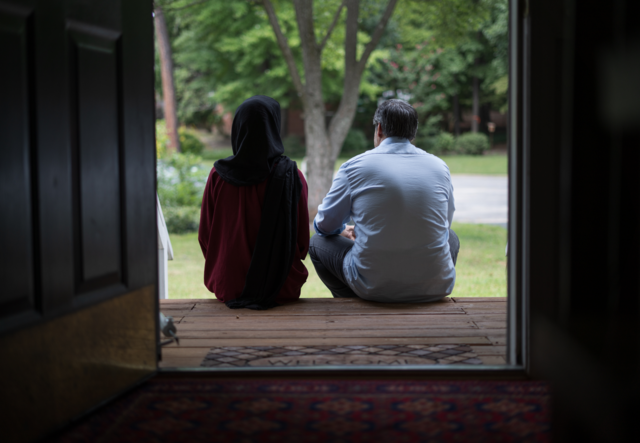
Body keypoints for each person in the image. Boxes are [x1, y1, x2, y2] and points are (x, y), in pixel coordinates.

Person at [310, 99, 459, 303]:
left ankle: (348, 302)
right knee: (451, 237)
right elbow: (444, 224)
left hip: (372, 286)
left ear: (379, 128)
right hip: (437, 286)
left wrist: (343, 230)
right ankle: (425, 286)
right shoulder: (440, 167)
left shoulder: (353, 167)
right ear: (413, 133)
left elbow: (324, 226)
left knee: (317, 242)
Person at [198, 95, 309, 310]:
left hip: (227, 284)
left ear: (238, 128)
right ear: (274, 127)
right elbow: (302, 241)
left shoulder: (217, 176)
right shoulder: (291, 175)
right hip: (280, 287)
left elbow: (205, 236)